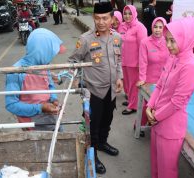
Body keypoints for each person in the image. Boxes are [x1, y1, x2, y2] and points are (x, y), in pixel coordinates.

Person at [69, 2, 123, 174]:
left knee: (107, 121)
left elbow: (118, 60)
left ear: (112, 19)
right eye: (98, 18)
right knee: (92, 126)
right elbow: (73, 61)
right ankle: (92, 154)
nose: (101, 22)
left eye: (105, 18)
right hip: (93, 92)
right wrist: (77, 78)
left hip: (111, 90)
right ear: (94, 18)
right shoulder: (86, 39)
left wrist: (120, 77)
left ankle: (102, 142)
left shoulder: (117, 38)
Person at [146, 17, 194, 178]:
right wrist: (149, 106)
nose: (168, 45)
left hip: (170, 126)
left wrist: (155, 116)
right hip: (156, 120)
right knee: (155, 166)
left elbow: (178, 102)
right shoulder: (173, 57)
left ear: (186, 39)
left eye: (173, 41)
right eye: (167, 40)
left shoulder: (190, 66)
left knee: (166, 171)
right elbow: (160, 85)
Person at [5, 28, 66, 131]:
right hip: (32, 123)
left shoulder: (43, 65)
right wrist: (40, 108)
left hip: (49, 116)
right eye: (51, 54)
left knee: (61, 136)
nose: (52, 58)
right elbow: (11, 105)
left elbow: (49, 85)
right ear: (43, 51)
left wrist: (54, 99)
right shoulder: (16, 71)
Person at [136, 17, 169, 136]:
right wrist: (142, 79)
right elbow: (143, 62)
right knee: (147, 105)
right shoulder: (145, 42)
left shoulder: (168, 42)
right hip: (149, 80)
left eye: (161, 27)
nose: (158, 30)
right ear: (152, 27)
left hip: (164, 80)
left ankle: (156, 127)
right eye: (155, 26)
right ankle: (139, 125)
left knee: (161, 105)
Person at [119, 5, 147, 115]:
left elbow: (143, 47)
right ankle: (131, 101)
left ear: (134, 14)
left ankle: (133, 106)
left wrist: (141, 63)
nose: (127, 16)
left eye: (129, 13)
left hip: (134, 63)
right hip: (124, 61)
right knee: (127, 83)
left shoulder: (140, 27)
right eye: (125, 13)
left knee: (133, 85)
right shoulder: (122, 26)